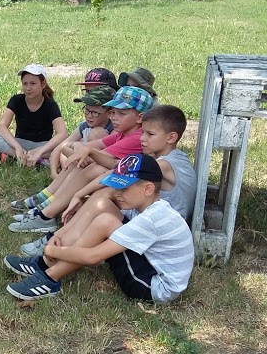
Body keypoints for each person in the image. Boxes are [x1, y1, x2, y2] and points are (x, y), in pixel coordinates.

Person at [4, 154, 194, 303]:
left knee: (105, 222)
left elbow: (92, 257)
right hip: (150, 266)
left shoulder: (152, 218)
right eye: (117, 187)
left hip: (153, 286)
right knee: (103, 207)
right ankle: (45, 263)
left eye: (124, 188)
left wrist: (53, 249)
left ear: (148, 189)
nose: (117, 193)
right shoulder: (148, 205)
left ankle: (50, 278)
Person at [19, 104, 196, 258]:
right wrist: (90, 153)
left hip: (159, 233)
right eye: (143, 132)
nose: (142, 138)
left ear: (171, 138)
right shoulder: (170, 157)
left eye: (150, 134)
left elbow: (114, 171)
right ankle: (57, 237)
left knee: (105, 196)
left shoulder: (163, 164)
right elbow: (115, 166)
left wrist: (80, 194)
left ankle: (58, 242)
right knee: (106, 191)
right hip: (152, 221)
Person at [8, 86, 153, 233]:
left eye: (121, 113)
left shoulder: (136, 137)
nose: (114, 117)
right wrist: (83, 151)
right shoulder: (122, 133)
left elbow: (97, 155)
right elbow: (80, 147)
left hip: (131, 187)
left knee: (93, 166)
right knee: (81, 162)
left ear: (140, 117)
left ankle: (46, 213)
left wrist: (85, 151)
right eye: (113, 112)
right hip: (117, 179)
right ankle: (46, 205)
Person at [0, 64, 67, 166]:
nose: (28, 88)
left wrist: (39, 152)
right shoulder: (16, 100)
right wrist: (17, 148)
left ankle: (25, 157)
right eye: (25, 84)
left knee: (64, 147)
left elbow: (62, 133)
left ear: (43, 84)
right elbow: (2, 127)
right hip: (21, 142)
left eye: (33, 83)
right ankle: (25, 158)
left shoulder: (50, 105)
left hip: (42, 145)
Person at [48, 86, 115, 180]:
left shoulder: (113, 130)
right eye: (87, 110)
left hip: (99, 167)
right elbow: (60, 147)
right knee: (67, 148)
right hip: (81, 162)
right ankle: (66, 175)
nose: (89, 116)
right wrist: (53, 172)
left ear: (109, 113)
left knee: (95, 134)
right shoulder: (84, 126)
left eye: (95, 112)